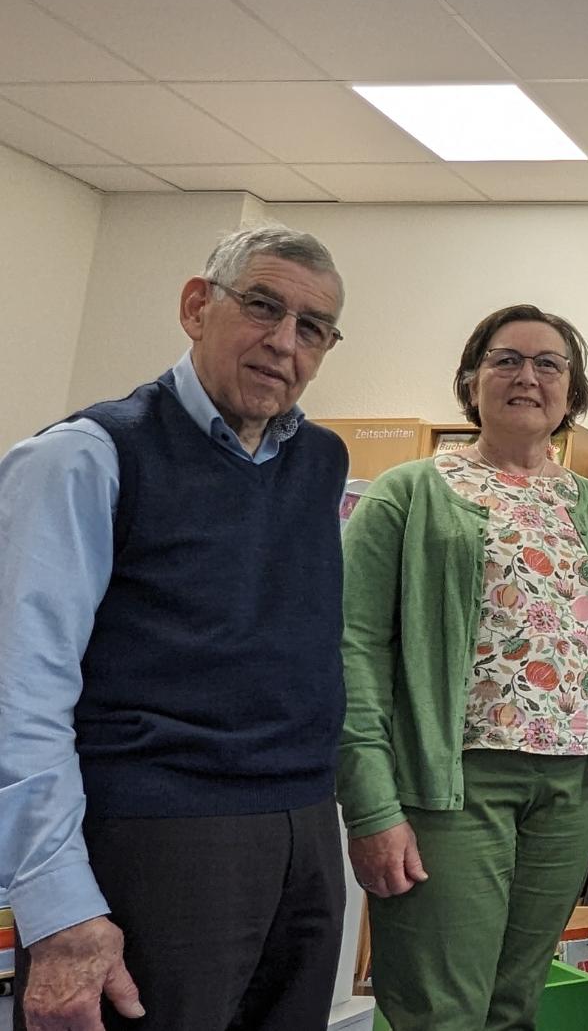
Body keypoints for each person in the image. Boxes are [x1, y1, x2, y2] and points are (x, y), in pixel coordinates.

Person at [0, 225, 351, 1030]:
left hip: (303, 828)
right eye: (262, 306)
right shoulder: (87, 457)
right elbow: (20, 693)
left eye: (313, 328)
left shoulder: (320, 464)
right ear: (198, 306)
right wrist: (58, 909)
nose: (283, 342)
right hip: (160, 833)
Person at [338, 305, 588, 1030]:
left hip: (570, 787)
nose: (526, 377)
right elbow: (352, 649)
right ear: (471, 380)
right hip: (452, 788)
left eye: (548, 364)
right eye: (506, 360)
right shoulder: (405, 494)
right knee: (442, 1010)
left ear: (573, 392)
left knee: (516, 1006)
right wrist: (373, 805)